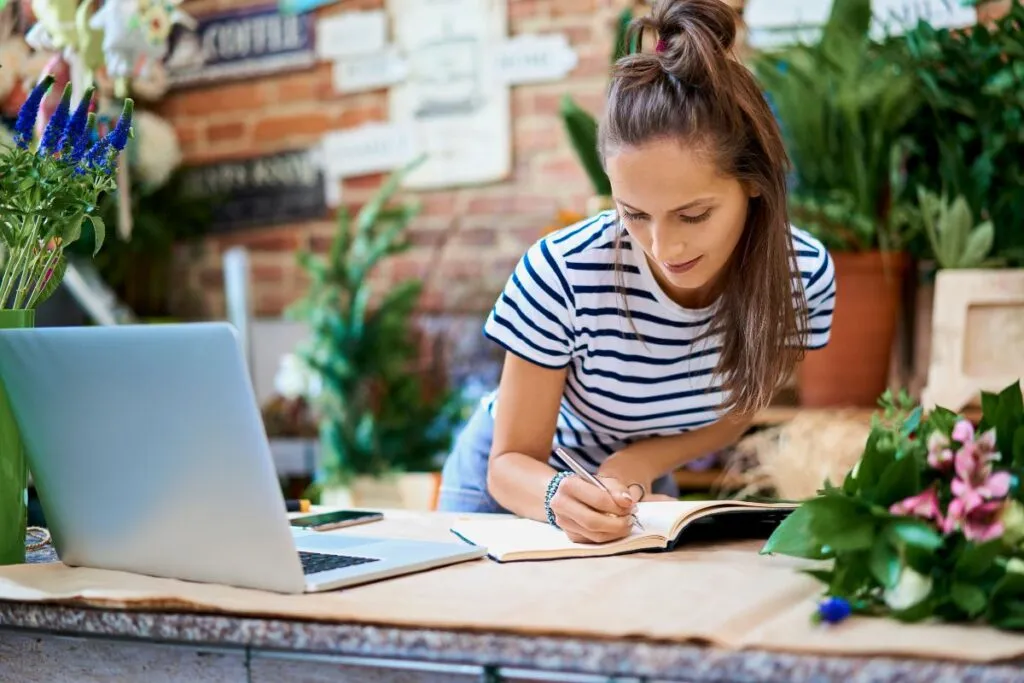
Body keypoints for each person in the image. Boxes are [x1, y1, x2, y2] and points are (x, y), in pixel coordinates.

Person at [437, 0, 836, 544]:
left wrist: (640, 460)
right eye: (634, 214)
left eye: (693, 215)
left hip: (633, 492)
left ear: (753, 183)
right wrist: (558, 496)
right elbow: (508, 462)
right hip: (512, 493)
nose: (662, 246)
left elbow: (741, 408)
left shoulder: (801, 277)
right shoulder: (564, 271)